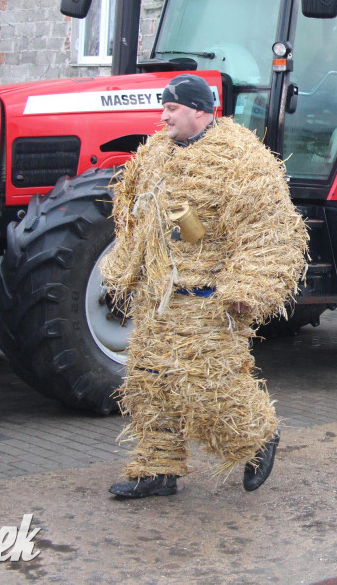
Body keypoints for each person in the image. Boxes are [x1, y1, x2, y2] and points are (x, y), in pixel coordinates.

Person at [100, 73, 308, 499]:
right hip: (156, 297)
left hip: (207, 298)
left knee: (205, 382)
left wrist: (246, 288)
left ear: (198, 109)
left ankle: (256, 439)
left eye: (172, 108)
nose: (163, 116)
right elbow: (133, 216)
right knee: (149, 382)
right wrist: (123, 272)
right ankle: (157, 468)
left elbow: (266, 232)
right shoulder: (155, 153)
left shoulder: (241, 159)